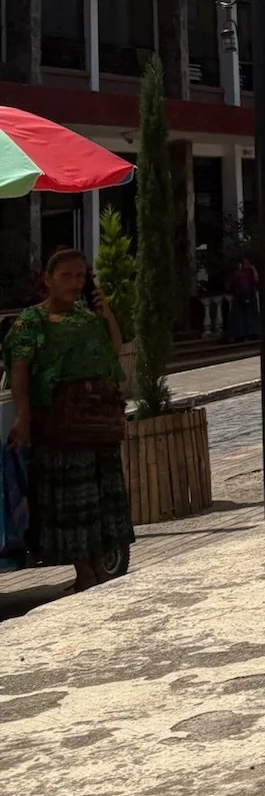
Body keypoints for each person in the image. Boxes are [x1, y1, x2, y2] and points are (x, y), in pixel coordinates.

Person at [3, 247, 134, 589]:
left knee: (99, 496)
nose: (75, 283)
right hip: (60, 424)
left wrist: (107, 315)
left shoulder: (86, 318)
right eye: (67, 276)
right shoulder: (32, 321)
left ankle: (99, 569)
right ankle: (84, 573)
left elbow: (114, 350)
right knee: (71, 500)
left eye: (80, 276)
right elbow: (18, 368)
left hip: (97, 422)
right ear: (48, 280)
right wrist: (24, 415)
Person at [225, 257, 260, 341]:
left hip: (250, 296)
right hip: (239, 297)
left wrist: (254, 269)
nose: (246, 266)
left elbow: (256, 280)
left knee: (250, 316)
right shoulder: (236, 274)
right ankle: (239, 335)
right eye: (244, 264)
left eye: (247, 264)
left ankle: (252, 333)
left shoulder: (250, 273)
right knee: (239, 318)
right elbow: (230, 285)